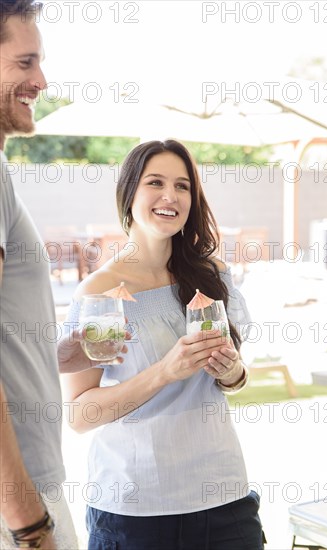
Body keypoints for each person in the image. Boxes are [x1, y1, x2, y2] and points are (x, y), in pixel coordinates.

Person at [61, 139, 266, 549]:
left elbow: (237, 379)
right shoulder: (102, 292)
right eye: (155, 182)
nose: (170, 196)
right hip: (135, 510)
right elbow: (81, 415)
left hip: (223, 498)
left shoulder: (211, 275)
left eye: (183, 186)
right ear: (129, 192)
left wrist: (231, 372)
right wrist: (164, 372)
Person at [0, 1, 100, 547]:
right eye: (25, 62)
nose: (41, 80)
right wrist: (28, 523)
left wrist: (57, 354)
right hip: (20, 499)